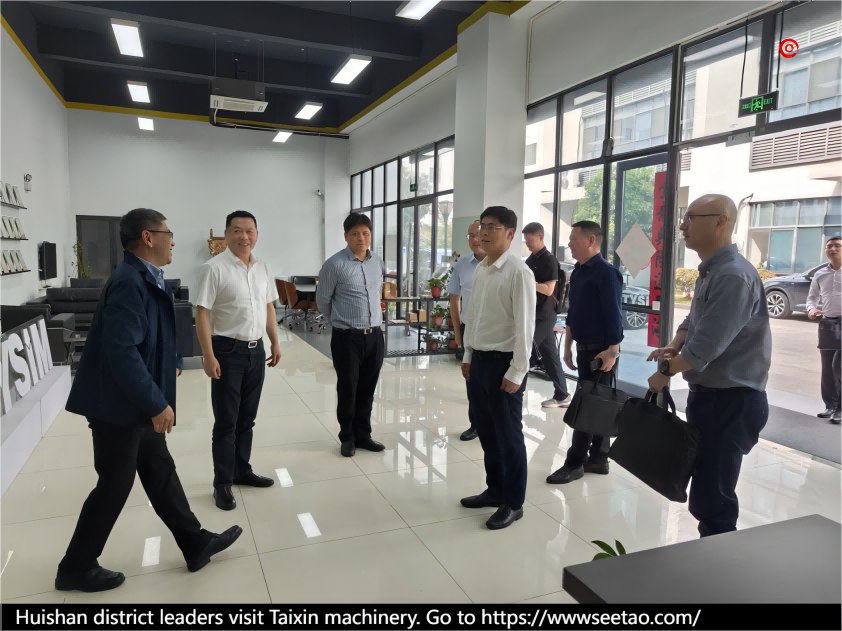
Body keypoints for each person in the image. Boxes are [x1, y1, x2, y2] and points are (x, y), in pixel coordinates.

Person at [57, 208, 242, 593]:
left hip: (130, 402)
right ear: (147, 237)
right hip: (118, 405)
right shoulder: (129, 282)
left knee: (159, 470)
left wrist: (170, 360)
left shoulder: (145, 276)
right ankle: (76, 565)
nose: (173, 240)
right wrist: (156, 402)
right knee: (115, 482)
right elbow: (121, 352)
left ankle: (194, 542)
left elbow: (148, 336)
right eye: (168, 233)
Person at [647, 194, 771, 537]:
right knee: (706, 491)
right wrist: (674, 345)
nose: (682, 226)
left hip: (731, 401)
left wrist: (664, 373)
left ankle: (719, 562)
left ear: (721, 222)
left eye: (691, 218)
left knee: (714, 498)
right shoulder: (712, 270)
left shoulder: (733, 275)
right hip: (712, 398)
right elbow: (695, 321)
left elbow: (706, 347)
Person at [195, 211, 282, 512]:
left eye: (250, 231)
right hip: (227, 352)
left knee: (247, 419)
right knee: (226, 423)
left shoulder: (263, 267)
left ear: (256, 234)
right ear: (226, 234)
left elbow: (268, 307)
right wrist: (208, 355)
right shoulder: (213, 268)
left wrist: (275, 341)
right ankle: (222, 483)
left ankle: (241, 470)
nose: (244, 236)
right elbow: (202, 313)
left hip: (256, 351)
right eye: (237, 231)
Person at [460, 206, 536, 530]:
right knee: (487, 432)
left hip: (504, 365)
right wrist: (467, 354)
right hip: (479, 362)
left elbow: (525, 327)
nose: (484, 233)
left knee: (508, 436)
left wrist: (517, 372)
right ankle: (495, 490)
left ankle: (513, 502)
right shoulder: (482, 269)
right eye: (483, 227)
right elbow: (474, 316)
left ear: (510, 233)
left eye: (492, 227)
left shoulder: (519, 272)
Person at [547, 221, 623, 484]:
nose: (569, 243)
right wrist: (567, 347)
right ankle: (599, 459)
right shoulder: (578, 273)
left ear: (591, 241)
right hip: (582, 349)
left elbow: (614, 317)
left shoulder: (606, 273)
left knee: (587, 407)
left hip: (602, 353)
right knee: (598, 404)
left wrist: (612, 352)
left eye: (573, 239)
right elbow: (574, 314)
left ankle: (575, 462)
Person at [317, 213, 387, 457]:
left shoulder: (377, 262)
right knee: (348, 388)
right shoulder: (334, 265)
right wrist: (339, 323)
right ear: (346, 236)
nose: (361, 238)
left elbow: (377, 293)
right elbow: (323, 301)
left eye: (366, 233)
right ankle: (347, 437)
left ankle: (363, 435)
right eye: (355, 233)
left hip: (374, 336)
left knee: (368, 388)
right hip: (347, 338)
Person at [522, 222, 571, 409]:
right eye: (525, 240)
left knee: (525, 351)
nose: (527, 243)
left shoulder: (549, 260)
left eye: (530, 239)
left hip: (545, 314)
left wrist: (529, 282)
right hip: (532, 312)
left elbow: (549, 289)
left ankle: (515, 393)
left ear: (540, 237)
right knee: (550, 357)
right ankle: (562, 395)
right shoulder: (530, 260)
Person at [448, 219, 486, 441]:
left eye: (477, 234)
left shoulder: (501, 264)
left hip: (493, 330)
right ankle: (475, 424)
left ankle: (493, 424)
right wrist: (457, 331)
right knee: (471, 378)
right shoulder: (462, 265)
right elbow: (455, 300)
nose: (474, 239)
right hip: (468, 328)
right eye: (470, 235)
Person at [807, 235, 842, 425]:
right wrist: (811, 309)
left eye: (837, 246)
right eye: (829, 246)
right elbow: (812, 297)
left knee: (839, 366)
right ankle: (830, 405)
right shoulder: (820, 274)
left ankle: (840, 409)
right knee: (828, 368)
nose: (833, 249)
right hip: (828, 323)